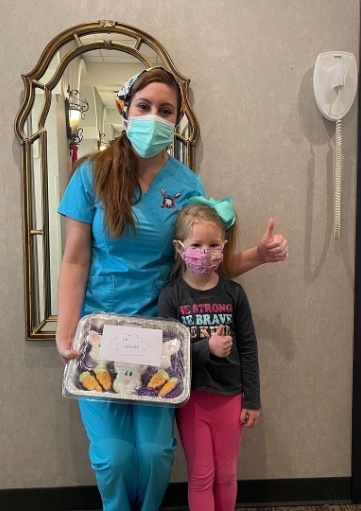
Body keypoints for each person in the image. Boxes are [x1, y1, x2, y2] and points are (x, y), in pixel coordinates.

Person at [55, 66, 287, 511]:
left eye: (166, 111)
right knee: (114, 458)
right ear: (126, 109)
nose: (154, 118)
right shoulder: (92, 175)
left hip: (161, 339)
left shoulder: (188, 185)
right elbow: (75, 258)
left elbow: (203, 263)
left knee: (156, 454)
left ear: (177, 120)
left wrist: (257, 254)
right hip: (100, 335)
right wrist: (67, 333)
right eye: (144, 107)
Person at [157, 196, 260, 511]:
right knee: (201, 476)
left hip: (230, 397)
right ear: (179, 248)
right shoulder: (171, 296)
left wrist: (252, 400)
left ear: (224, 246)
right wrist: (207, 348)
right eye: (197, 244)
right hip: (191, 399)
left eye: (213, 244)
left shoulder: (234, 294)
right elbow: (167, 353)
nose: (205, 252)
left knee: (227, 474)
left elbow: (248, 347)